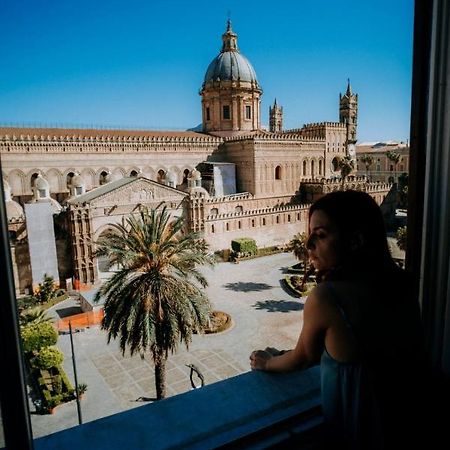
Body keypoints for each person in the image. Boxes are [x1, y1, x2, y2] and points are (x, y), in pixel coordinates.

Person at [250, 190, 427, 449]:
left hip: (360, 432)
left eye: (320, 235)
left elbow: (302, 358)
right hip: (408, 421)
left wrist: (267, 362)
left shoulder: (327, 298)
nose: (308, 244)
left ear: (355, 240)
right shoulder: (400, 284)